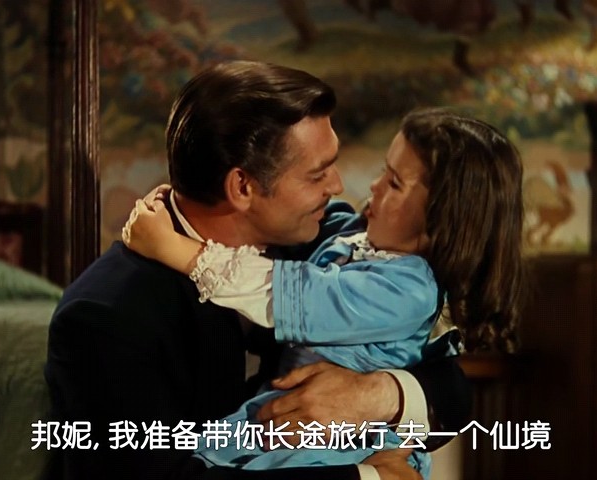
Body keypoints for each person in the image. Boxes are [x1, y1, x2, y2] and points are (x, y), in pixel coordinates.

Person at [45, 61, 472, 480]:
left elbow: (450, 388)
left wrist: (375, 396)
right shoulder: (106, 316)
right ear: (243, 187)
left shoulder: (323, 243)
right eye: (317, 174)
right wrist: (368, 477)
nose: (338, 186)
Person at [122, 107, 526, 477]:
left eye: (394, 183)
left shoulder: (408, 288)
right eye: (316, 175)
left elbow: (288, 294)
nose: (361, 185)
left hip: (330, 450)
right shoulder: (357, 234)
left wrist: (171, 247)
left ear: (441, 221)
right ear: (241, 184)